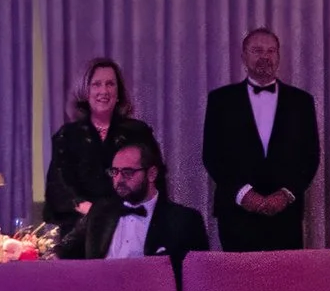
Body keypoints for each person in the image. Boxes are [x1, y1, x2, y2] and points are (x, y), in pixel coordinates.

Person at [200, 28, 323, 252]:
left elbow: (310, 156)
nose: (265, 56)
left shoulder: (302, 101)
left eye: (271, 51)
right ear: (243, 56)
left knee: (284, 275)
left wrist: (286, 194)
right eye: (257, 50)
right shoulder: (220, 100)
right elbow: (212, 155)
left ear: (278, 56)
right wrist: (244, 194)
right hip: (237, 215)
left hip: (285, 216)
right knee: (238, 275)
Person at [63, 133, 210, 271]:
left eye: (127, 172)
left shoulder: (185, 220)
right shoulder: (100, 212)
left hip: (152, 289)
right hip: (102, 288)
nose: (119, 180)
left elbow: (198, 275)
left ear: (151, 174)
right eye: (114, 172)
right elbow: (66, 252)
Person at [44, 58, 156, 229]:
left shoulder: (139, 132)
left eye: (110, 84)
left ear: (118, 93)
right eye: (96, 84)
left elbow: (154, 180)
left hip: (130, 224)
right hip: (81, 227)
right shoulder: (67, 135)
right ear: (86, 92)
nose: (104, 91)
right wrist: (91, 210)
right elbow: (58, 187)